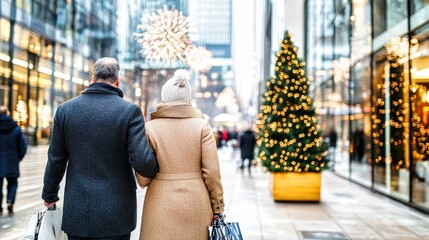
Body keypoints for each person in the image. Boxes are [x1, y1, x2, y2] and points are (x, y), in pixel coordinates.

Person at [41, 58, 158, 240]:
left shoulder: (65, 110)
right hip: (116, 214)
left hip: (77, 211)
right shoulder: (130, 112)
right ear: (117, 81)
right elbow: (142, 162)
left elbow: (56, 159)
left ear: (93, 78)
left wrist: (49, 194)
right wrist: (156, 165)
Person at [135, 69, 225, 240]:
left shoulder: (150, 128)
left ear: (165, 97)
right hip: (196, 202)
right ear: (187, 98)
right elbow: (212, 172)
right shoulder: (202, 127)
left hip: (159, 201)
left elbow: (143, 178)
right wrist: (218, 207)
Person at [0, 106, 27, 214]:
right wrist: (17, 157)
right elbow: (23, 146)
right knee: (13, 183)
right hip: (12, 160)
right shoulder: (16, 128)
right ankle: (10, 201)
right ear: (7, 113)